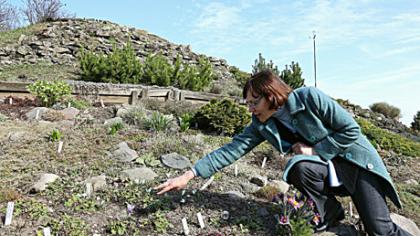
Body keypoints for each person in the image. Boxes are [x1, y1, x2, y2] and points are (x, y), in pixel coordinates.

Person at [155, 70, 410, 235]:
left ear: (271, 95)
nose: (251, 108)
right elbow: (231, 150)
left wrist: (316, 149)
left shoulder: (309, 98)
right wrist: (188, 175)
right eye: (248, 103)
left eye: (254, 102)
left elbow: (351, 131)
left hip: (357, 166)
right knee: (298, 167)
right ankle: (329, 212)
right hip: (328, 172)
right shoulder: (262, 125)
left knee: (381, 231)